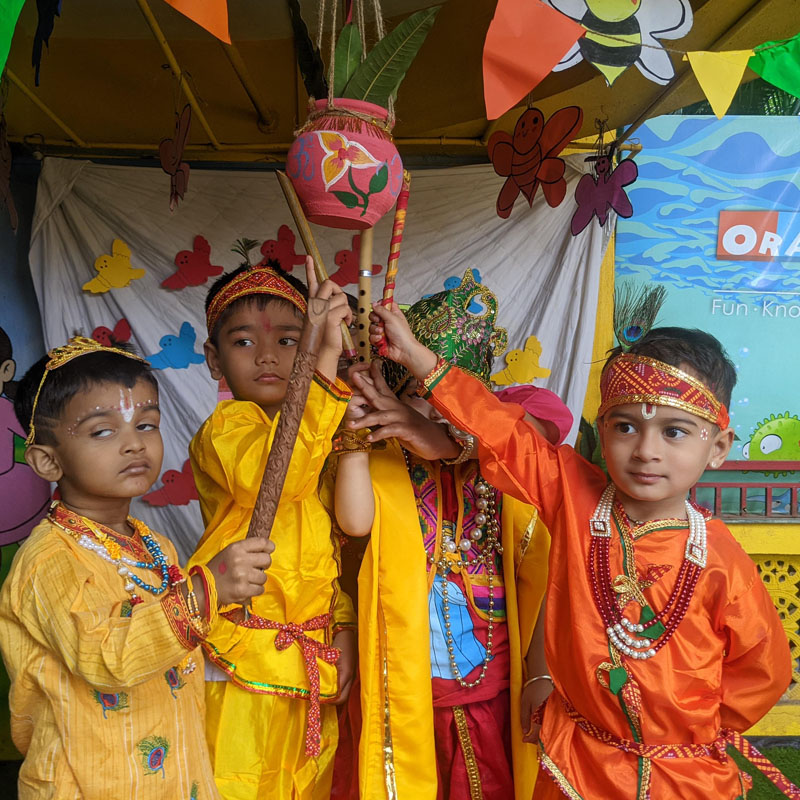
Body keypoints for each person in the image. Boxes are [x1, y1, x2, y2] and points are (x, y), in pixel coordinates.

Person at [363, 309, 792, 800]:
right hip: (578, 764)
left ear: (717, 448)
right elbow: (506, 435)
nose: (646, 450)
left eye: (674, 432)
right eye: (626, 427)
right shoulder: (572, 495)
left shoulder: (719, 558)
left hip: (683, 774)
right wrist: (421, 361)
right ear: (602, 428)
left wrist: (686, 727)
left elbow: (764, 668)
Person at [0, 336, 272, 800]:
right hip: (86, 783)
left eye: (146, 424)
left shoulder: (154, 544)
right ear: (46, 460)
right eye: (103, 431)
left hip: (175, 777)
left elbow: (178, 642)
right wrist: (208, 592)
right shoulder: (49, 558)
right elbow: (107, 658)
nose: (133, 444)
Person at [335, 271, 569, 800]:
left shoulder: (507, 440)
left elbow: (540, 425)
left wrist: (447, 439)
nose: (432, 403)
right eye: (416, 390)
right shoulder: (380, 458)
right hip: (401, 680)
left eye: (447, 388)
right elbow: (353, 523)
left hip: (492, 686)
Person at [188, 258, 358, 800]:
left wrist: (345, 627)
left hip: (310, 657)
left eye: (290, 341)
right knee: (235, 782)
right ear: (214, 358)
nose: (267, 356)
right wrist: (323, 357)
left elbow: (329, 549)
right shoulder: (226, 428)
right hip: (242, 659)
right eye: (243, 343)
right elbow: (277, 478)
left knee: (305, 786)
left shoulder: (322, 429)